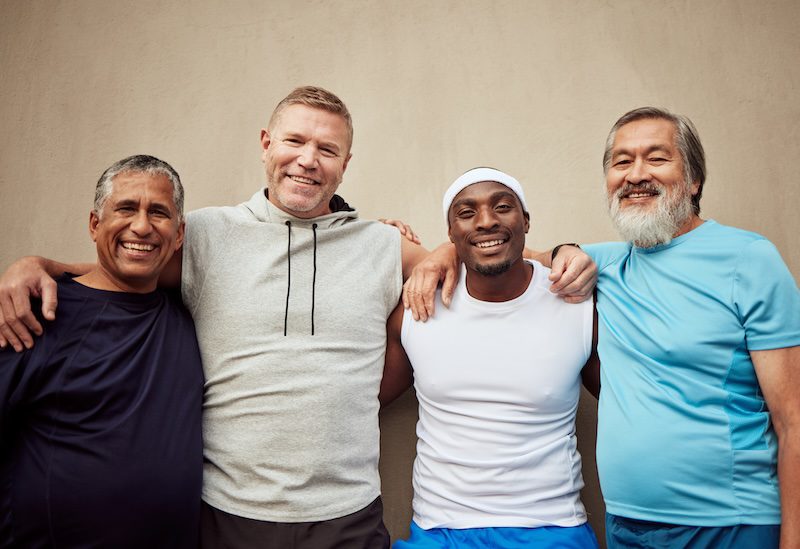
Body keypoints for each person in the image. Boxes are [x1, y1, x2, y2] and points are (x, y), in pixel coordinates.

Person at [0, 87, 596, 548]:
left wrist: (560, 253)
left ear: (345, 163)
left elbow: (485, 254)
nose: (307, 161)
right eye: (294, 142)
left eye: (327, 150)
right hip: (227, 512)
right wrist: (40, 265)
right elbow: (125, 262)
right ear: (266, 143)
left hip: (347, 515)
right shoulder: (203, 234)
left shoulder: (381, 245)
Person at [405, 108, 800, 548]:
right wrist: (442, 253)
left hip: (729, 522)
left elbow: (793, 420)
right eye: (622, 162)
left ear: (694, 180)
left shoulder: (748, 259)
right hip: (629, 524)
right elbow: (500, 250)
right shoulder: (604, 265)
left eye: (656, 158)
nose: (636, 174)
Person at [380, 167, 600, 548]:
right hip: (440, 530)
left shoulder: (576, 304)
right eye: (467, 213)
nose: (486, 221)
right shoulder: (418, 308)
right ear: (450, 234)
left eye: (502, 207)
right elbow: (360, 400)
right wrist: (376, 243)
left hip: (552, 528)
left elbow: (630, 404)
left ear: (526, 220)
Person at [0, 155, 204, 548]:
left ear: (179, 234)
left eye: (158, 212)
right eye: (126, 208)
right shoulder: (36, 314)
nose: (141, 226)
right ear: (95, 224)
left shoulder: (190, 313)